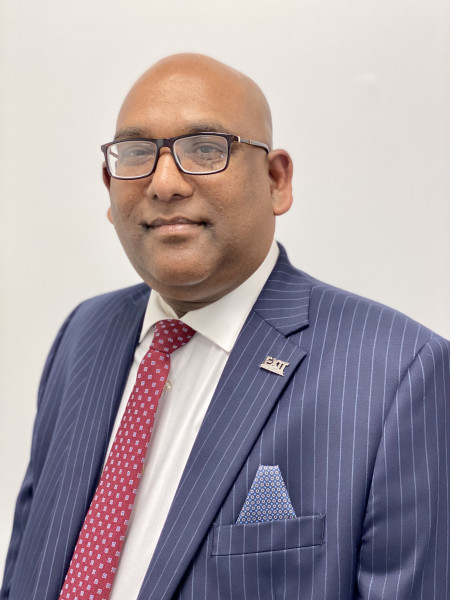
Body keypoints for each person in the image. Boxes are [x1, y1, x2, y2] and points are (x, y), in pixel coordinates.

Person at [1, 53, 449, 600]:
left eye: (206, 149)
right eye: (137, 154)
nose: (165, 183)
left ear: (276, 180)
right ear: (109, 188)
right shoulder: (83, 335)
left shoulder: (399, 373)